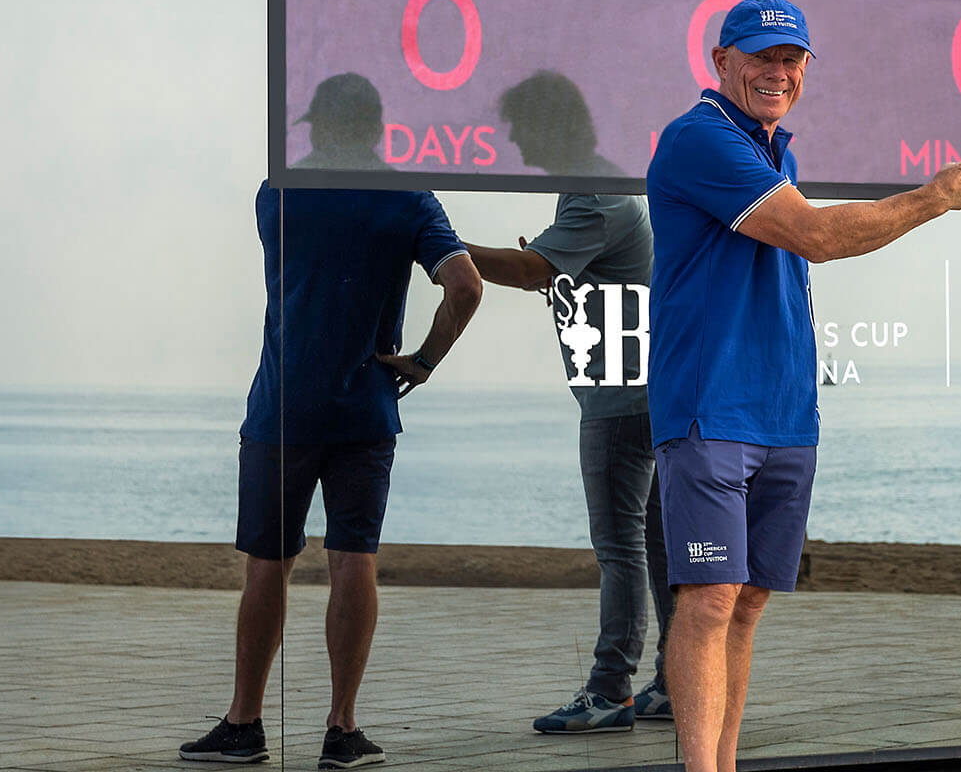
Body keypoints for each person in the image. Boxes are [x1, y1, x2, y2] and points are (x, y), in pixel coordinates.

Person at [648, 0, 961, 772]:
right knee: (708, 599)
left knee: (748, 602)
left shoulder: (777, 153)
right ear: (721, 62)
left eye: (791, 58)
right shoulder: (698, 138)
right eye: (761, 58)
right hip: (710, 408)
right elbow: (817, 236)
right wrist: (934, 197)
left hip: (784, 413)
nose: (777, 71)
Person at [181, 73, 483, 769]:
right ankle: (342, 730)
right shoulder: (408, 197)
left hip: (280, 407)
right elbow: (464, 286)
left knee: (269, 564)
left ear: (316, 127)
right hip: (366, 404)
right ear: (378, 129)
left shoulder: (276, 193)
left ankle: (244, 723)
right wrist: (425, 360)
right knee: (354, 560)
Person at [462, 71, 675, 734]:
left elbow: (532, 272)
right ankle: (675, 681)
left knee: (622, 550)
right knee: (658, 546)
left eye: (522, 128)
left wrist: (441, 247)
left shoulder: (592, 194)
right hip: (653, 393)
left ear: (550, 125)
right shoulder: (601, 186)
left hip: (619, 403)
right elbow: (557, 274)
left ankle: (610, 689)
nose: (517, 144)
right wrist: (545, 270)